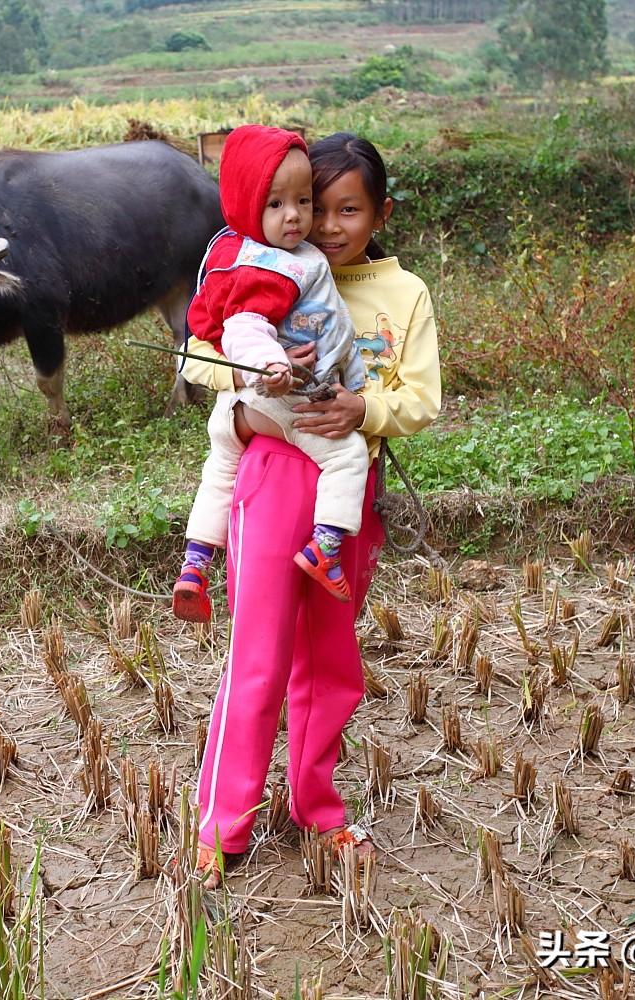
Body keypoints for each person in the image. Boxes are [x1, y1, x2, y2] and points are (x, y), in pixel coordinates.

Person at [178, 132, 442, 887]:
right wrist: (250, 387)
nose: (324, 224)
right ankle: (223, 821)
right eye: (310, 206)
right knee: (257, 651)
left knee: (330, 655)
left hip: (347, 490)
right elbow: (198, 354)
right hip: (270, 472)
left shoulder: (404, 294)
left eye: (346, 209)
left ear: (380, 213)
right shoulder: (266, 264)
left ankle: (316, 808)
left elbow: (419, 399)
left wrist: (364, 405)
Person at [173, 126, 371, 624]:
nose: (296, 217)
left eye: (303, 200)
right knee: (347, 457)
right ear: (244, 203)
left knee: (219, 473)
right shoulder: (275, 267)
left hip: (233, 408)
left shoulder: (231, 252)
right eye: (276, 203)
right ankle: (325, 547)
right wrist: (272, 367)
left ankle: (196, 563)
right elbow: (244, 325)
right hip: (277, 396)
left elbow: (213, 324)